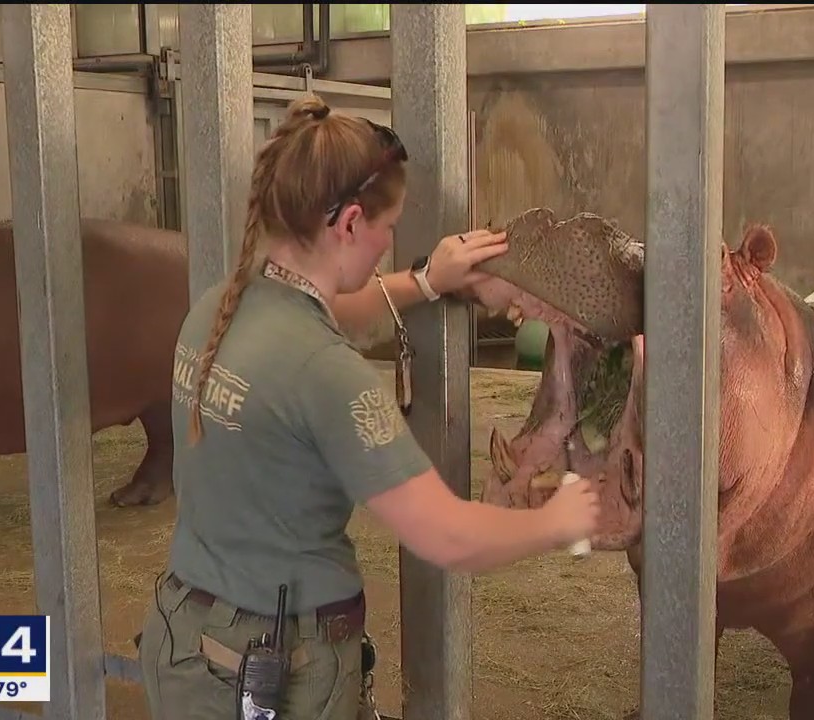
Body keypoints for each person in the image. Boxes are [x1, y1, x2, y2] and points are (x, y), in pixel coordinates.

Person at [138, 92, 601, 720]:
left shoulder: (222, 304)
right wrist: (559, 521)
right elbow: (446, 535)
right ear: (351, 223)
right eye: (388, 228)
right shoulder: (330, 376)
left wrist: (429, 281)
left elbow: (328, 309)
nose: (388, 244)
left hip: (187, 641)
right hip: (277, 667)